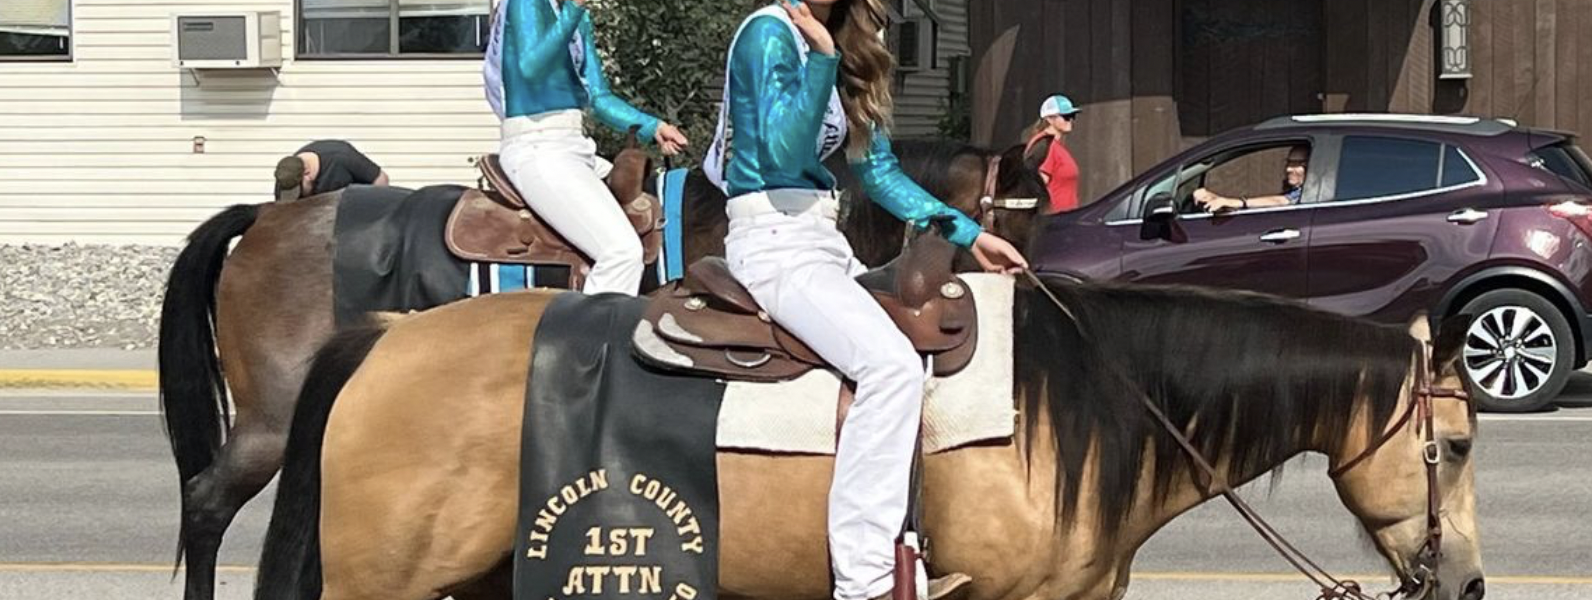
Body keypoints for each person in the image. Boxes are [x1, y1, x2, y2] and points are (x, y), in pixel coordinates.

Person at [704, 2, 1028, 599]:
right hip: (771, 241)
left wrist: (969, 233)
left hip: (819, 240)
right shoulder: (770, 33)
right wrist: (823, 58)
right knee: (890, 367)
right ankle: (866, 578)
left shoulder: (835, 43)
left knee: (925, 343)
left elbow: (877, 172)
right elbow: (781, 152)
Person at [494, 0, 689, 296]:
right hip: (537, 145)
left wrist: (653, 126)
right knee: (621, 253)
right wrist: (573, 10)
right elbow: (531, 68)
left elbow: (598, 98)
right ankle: (591, 327)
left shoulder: (574, 16)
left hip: (573, 145)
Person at [1193, 145, 1310, 212]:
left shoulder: (1312, 192)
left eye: (1297, 164)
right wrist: (1216, 198)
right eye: (1289, 163)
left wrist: (1235, 202)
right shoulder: (1297, 191)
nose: (1289, 169)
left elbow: (1282, 201)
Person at [272, 140, 389, 202]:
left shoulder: (342, 156)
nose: (298, 195)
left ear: (307, 173)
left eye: (299, 190)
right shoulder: (287, 175)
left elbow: (381, 180)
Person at [1022, 94, 1081, 214]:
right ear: (1049, 119)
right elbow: (1038, 185)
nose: (1071, 120)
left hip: (1065, 217)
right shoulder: (1045, 145)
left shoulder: (1054, 145)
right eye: (1066, 116)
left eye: (1072, 116)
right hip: (1054, 218)